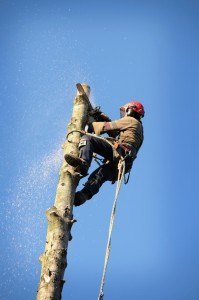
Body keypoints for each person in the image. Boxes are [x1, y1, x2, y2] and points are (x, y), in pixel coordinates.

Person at [65, 101, 145, 206]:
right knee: (99, 175)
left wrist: (90, 124)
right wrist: (102, 118)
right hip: (123, 166)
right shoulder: (138, 128)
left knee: (88, 138)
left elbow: (106, 127)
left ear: (130, 110)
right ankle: (82, 196)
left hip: (119, 153)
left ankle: (83, 163)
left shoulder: (131, 120)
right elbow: (116, 132)